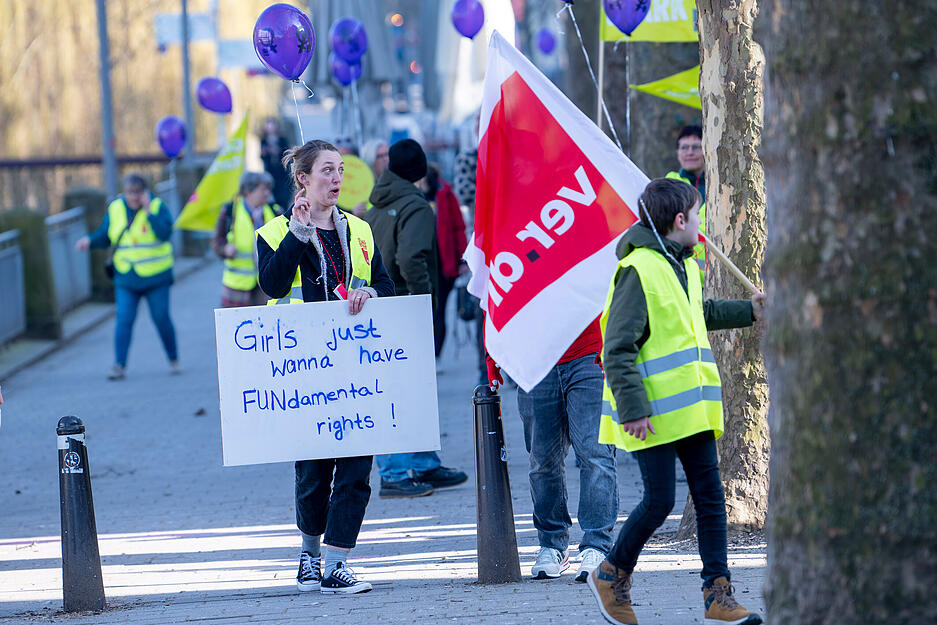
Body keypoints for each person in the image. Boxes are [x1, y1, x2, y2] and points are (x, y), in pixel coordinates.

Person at [588, 178, 765, 625]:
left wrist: (750, 310)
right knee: (659, 501)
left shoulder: (683, 264)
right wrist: (633, 410)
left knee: (711, 498)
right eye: (697, 215)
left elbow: (697, 315)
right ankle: (611, 573)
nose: (701, 224)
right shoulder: (638, 269)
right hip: (650, 413)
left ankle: (718, 594)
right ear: (680, 220)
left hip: (691, 411)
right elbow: (617, 347)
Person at [257, 140, 395, 595]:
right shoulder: (274, 231)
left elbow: (386, 285)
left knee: (356, 470)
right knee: (313, 472)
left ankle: (337, 563)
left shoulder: (360, 230)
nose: (337, 179)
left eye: (340, 170)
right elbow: (273, 284)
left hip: (355, 369)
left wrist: (370, 293)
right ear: (303, 179)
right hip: (305, 373)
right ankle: (309, 555)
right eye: (327, 171)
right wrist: (298, 233)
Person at [364, 139, 468, 498]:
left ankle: (424, 463)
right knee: (399, 391)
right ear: (420, 168)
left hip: (383, 304)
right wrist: (424, 300)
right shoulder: (417, 206)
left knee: (411, 388)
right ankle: (394, 472)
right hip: (406, 307)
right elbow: (411, 258)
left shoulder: (377, 204)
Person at [487, 316, 618, 583]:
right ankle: (552, 544)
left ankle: (598, 546)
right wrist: (493, 350)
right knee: (543, 460)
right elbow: (495, 294)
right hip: (535, 360)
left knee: (596, 454)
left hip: (590, 351)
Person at [75, 173, 178, 380]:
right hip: (126, 276)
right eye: (130, 192)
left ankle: (173, 358)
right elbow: (106, 235)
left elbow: (165, 233)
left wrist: (148, 212)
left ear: (145, 192)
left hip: (156, 277)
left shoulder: (157, 207)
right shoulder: (115, 208)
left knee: (161, 317)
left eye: (137, 192)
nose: (133, 197)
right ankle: (119, 365)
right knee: (124, 319)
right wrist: (90, 240)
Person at [212, 171, 280, 307]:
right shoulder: (230, 211)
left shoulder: (274, 210)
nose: (267, 193)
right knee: (234, 320)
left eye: (268, 189)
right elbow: (216, 242)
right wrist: (224, 249)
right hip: (237, 287)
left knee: (266, 320)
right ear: (248, 191)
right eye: (263, 189)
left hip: (265, 283)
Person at [423, 163, 468, 359]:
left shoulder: (446, 195)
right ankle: (428, 355)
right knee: (427, 313)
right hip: (422, 264)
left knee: (439, 310)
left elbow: (459, 228)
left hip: (444, 265)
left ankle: (435, 355)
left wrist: (462, 259)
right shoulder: (413, 195)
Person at [666, 125, 707, 278]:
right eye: (684, 147)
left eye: (696, 147)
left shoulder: (720, 186)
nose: (690, 152)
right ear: (677, 153)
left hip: (715, 275)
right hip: (679, 271)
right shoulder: (669, 183)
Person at [260, 117, 293, 210]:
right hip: (271, 172)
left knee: (284, 194)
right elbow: (262, 156)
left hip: (282, 173)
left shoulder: (282, 139)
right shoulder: (263, 141)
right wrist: (266, 152)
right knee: (273, 195)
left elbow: (287, 153)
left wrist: (277, 151)